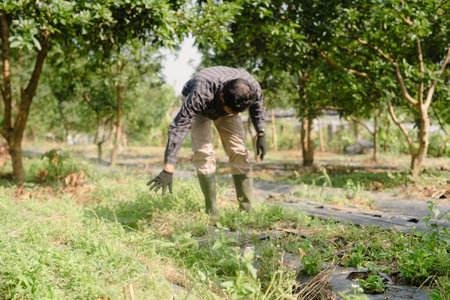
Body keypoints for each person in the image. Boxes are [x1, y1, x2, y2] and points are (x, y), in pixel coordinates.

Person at [148, 66, 267, 215]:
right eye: (234, 111)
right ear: (222, 97)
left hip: (227, 104)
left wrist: (261, 133)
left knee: (239, 151)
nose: (237, 115)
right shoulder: (201, 92)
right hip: (199, 108)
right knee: (204, 152)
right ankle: (212, 210)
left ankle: (247, 209)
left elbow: (257, 108)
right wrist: (168, 168)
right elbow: (180, 125)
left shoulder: (252, 88)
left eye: (240, 112)